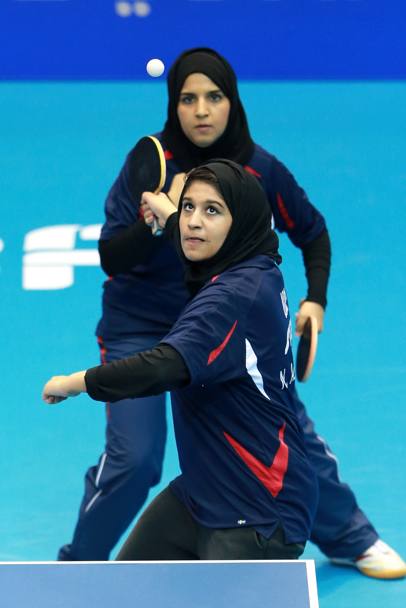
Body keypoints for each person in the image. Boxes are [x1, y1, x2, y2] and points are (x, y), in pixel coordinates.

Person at [57, 47, 405, 577]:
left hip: (226, 327)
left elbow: (311, 233)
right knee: (135, 458)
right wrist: (157, 221)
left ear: (232, 102)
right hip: (143, 324)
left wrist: (315, 300)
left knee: (286, 435)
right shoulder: (150, 162)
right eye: (188, 99)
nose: (201, 111)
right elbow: (110, 256)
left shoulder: (259, 171)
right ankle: (78, 568)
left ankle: (352, 537)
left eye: (214, 97)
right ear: (173, 105)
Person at [43, 160, 318, 560]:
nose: (194, 222)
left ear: (240, 221)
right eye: (189, 206)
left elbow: (163, 366)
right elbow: (193, 234)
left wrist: (75, 383)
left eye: (212, 211)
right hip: (203, 492)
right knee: (127, 585)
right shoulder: (257, 265)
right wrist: (171, 215)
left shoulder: (231, 299)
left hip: (260, 511)